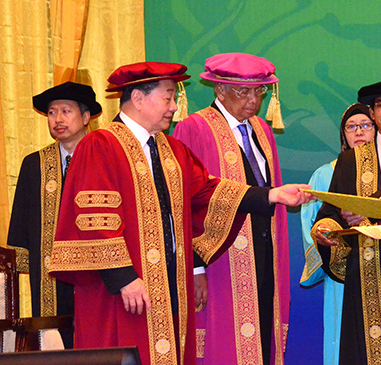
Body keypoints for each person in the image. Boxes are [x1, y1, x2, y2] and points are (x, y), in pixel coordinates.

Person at [48, 62, 310, 365]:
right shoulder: (102, 144)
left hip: (168, 283)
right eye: (168, 97)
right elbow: (94, 218)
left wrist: (272, 195)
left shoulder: (171, 150)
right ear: (138, 99)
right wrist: (123, 278)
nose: (174, 106)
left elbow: (208, 191)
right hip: (121, 291)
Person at [172, 52, 290, 365]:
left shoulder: (261, 130)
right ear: (219, 90)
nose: (253, 100)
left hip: (264, 252)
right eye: (244, 92)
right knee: (224, 343)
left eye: (259, 91)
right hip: (219, 258)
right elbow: (184, 203)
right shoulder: (194, 128)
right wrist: (195, 268)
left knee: (263, 334)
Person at [311, 79, 381, 365]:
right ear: (373, 112)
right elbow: (328, 216)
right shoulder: (350, 160)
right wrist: (327, 230)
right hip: (368, 270)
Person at [7, 82, 102, 349]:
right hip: (51, 273)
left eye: (66, 111)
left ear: (86, 117)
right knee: (54, 342)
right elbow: (21, 221)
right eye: (51, 112)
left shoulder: (105, 158)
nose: (58, 120)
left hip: (96, 271)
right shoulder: (34, 164)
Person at [299, 102, 375, 365]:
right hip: (342, 271)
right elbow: (312, 225)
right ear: (343, 133)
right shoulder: (325, 173)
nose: (359, 132)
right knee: (342, 336)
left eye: (366, 125)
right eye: (352, 127)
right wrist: (331, 243)